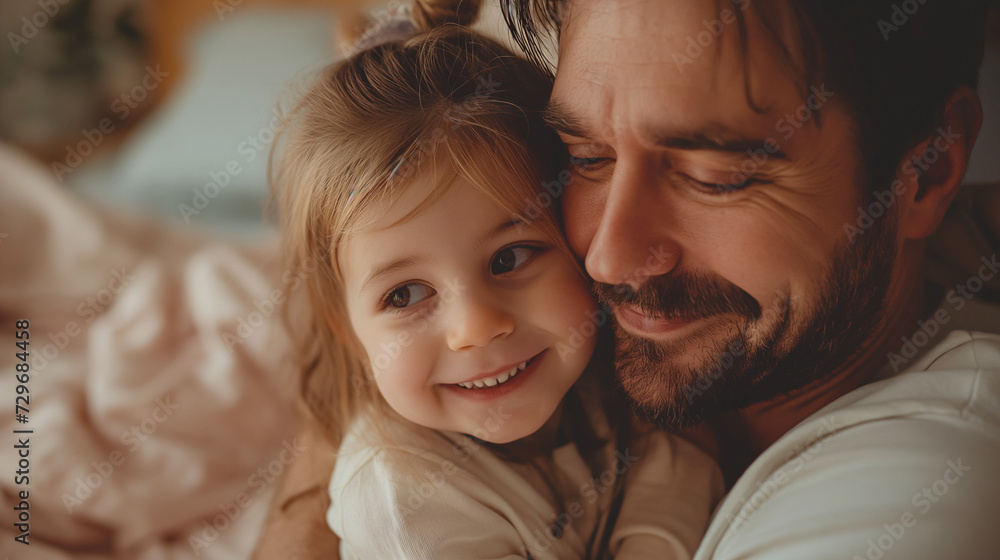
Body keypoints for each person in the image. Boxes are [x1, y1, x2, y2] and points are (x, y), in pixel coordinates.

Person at [253, 0, 1000, 558]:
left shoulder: (916, 493)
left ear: (928, 169)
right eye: (585, 158)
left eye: (716, 175)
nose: (606, 257)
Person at [266, 2, 722, 558]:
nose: (476, 328)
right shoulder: (404, 504)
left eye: (509, 259)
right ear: (347, 331)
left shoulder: (606, 381)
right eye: (404, 295)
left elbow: (677, 464)